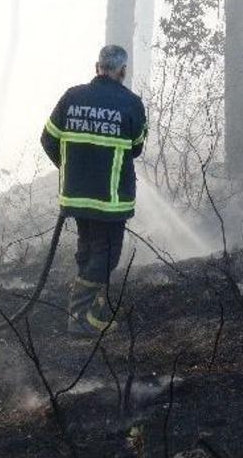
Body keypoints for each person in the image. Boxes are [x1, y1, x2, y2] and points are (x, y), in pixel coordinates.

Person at [40, 45, 147, 336]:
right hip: (109, 199)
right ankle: (78, 316)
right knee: (107, 255)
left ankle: (94, 312)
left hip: (75, 195)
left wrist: (70, 167)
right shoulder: (131, 103)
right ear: (122, 71)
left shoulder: (71, 97)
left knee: (88, 249)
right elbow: (136, 148)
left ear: (95, 66)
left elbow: (48, 139)